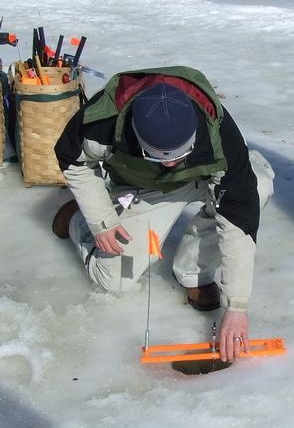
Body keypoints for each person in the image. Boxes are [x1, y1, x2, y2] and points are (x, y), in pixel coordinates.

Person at [53, 66, 274, 362]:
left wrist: (237, 307)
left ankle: (194, 271)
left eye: (181, 153)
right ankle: (78, 219)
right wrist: (100, 219)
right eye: (158, 155)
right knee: (115, 280)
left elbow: (239, 214)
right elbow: (72, 159)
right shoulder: (102, 121)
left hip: (202, 180)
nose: (171, 164)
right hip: (143, 188)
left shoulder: (219, 132)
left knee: (256, 186)